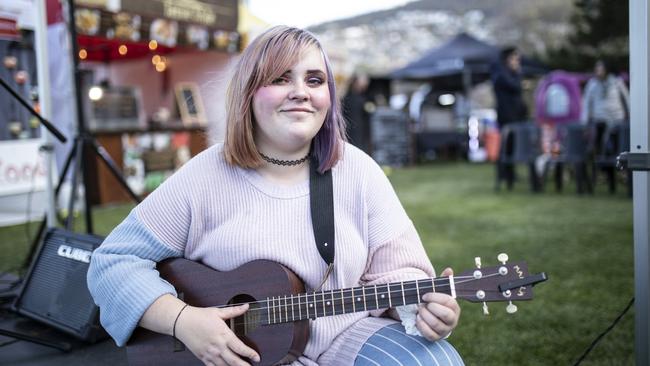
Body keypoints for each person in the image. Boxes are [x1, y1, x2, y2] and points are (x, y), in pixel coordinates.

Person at [87, 26, 463, 366]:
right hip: (242, 353)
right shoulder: (204, 176)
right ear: (249, 92)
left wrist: (421, 308)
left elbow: (400, 271)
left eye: (315, 80)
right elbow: (113, 262)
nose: (301, 92)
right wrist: (184, 321)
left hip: (344, 337)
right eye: (281, 78)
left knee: (437, 361)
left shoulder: (358, 171)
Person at [580, 60, 630, 155]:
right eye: (597, 70)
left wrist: (631, 117)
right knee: (598, 146)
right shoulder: (592, 84)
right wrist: (584, 122)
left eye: (601, 69)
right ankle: (601, 166)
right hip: (599, 121)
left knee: (618, 146)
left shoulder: (617, 82)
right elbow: (586, 103)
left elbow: (627, 99)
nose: (599, 72)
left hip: (617, 120)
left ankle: (617, 165)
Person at [491, 46, 528, 128]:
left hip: (516, 118)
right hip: (509, 120)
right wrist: (519, 74)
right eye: (515, 59)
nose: (517, 63)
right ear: (508, 59)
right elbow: (515, 86)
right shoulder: (501, 75)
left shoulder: (509, 74)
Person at [342, 74, 371, 154]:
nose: (364, 86)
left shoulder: (363, 97)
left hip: (361, 129)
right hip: (350, 129)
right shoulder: (348, 98)